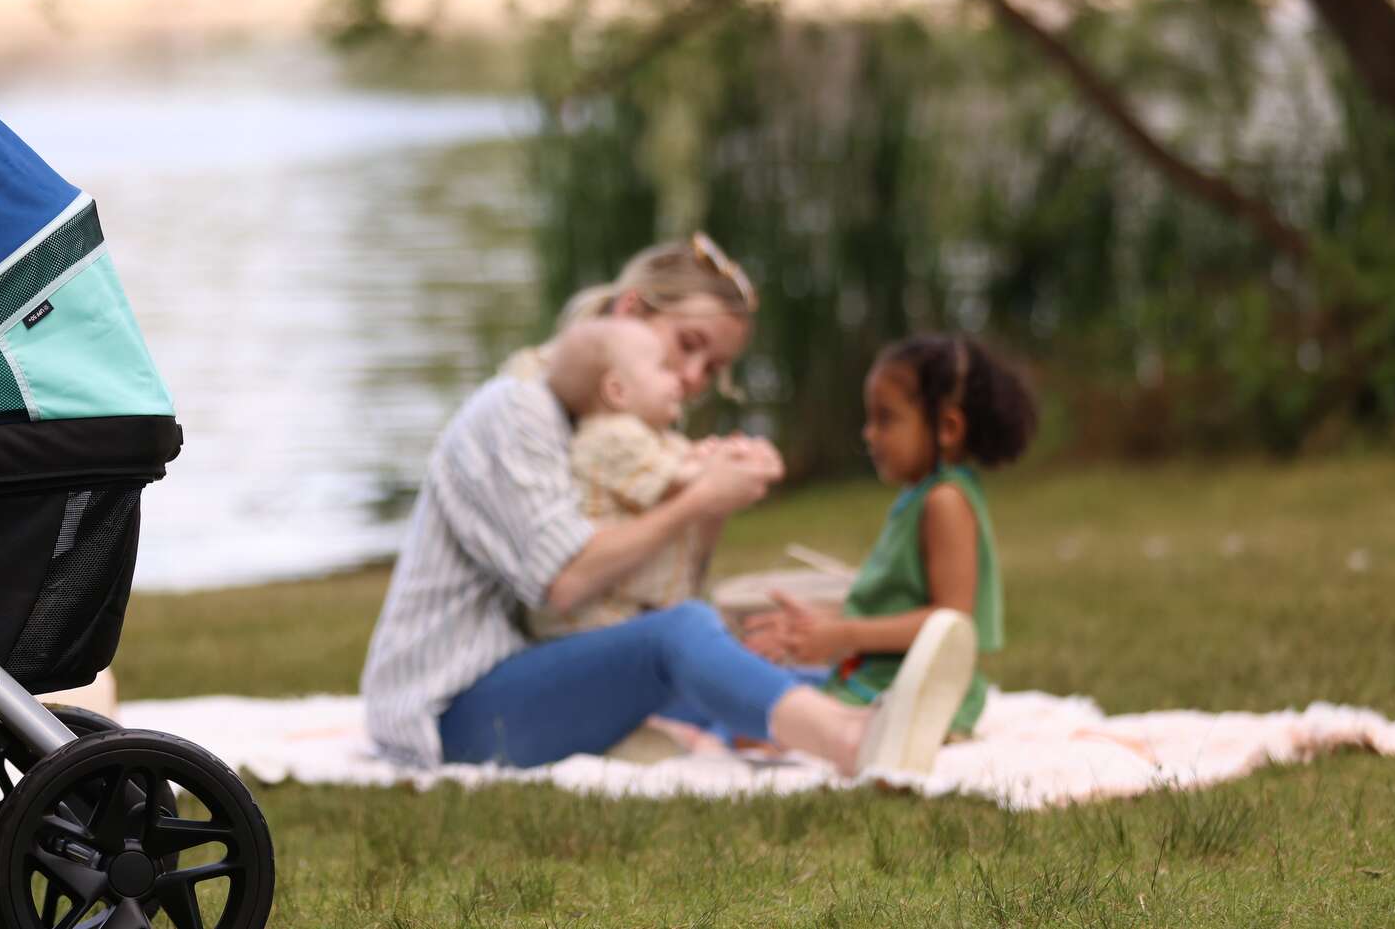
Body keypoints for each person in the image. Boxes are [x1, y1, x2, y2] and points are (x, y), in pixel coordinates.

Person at [359, 237, 979, 775]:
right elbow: (565, 582)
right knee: (684, 641)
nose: (691, 376)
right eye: (686, 345)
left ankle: (889, 712)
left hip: (539, 673)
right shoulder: (516, 413)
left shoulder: (623, 436)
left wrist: (706, 503)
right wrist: (699, 497)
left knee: (737, 666)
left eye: (713, 366)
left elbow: (660, 600)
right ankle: (851, 743)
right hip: (449, 714)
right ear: (631, 311)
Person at [748, 334, 1038, 738]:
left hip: (918, 693)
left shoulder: (945, 502)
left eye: (885, 419)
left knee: (765, 726)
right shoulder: (917, 497)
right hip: (877, 676)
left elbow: (950, 623)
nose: (869, 434)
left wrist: (840, 635)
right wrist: (820, 626)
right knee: (757, 705)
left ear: (948, 427)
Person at [524, 318, 706, 641]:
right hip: (596, 616)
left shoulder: (643, 435)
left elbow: (678, 459)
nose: (678, 377)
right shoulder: (614, 435)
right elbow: (676, 481)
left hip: (618, 605)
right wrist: (722, 469)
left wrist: (707, 456)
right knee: (690, 634)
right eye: (663, 368)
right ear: (617, 391)